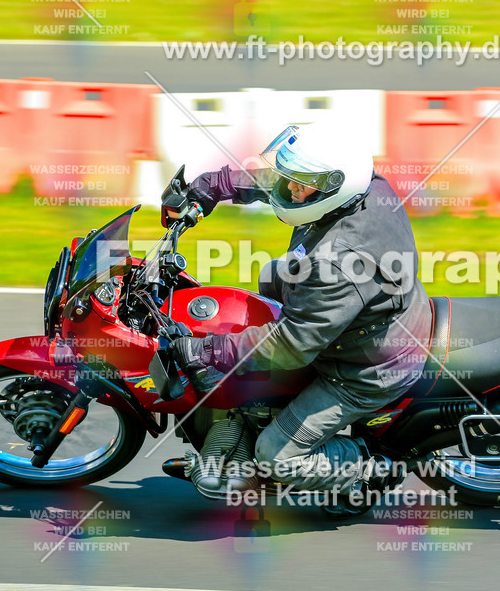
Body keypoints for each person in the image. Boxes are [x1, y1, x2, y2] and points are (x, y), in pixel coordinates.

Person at [166, 124, 432, 516]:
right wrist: (212, 187)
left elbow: (292, 346)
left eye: (300, 184)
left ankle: (366, 471)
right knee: (267, 279)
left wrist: (208, 350)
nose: (290, 188)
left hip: (365, 370)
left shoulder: (336, 264)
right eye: (293, 179)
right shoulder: (365, 188)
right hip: (375, 313)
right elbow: (279, 180)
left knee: (276, 454)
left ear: (330, 188)